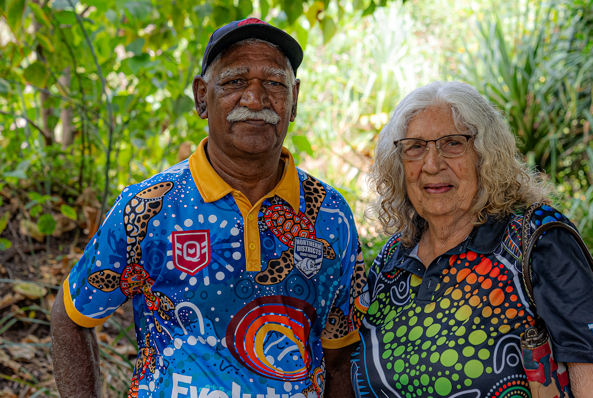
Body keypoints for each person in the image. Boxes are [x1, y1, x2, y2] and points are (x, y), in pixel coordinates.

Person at [51, 18, 367, 398]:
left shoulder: (330, 215)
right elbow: (71, 318)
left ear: (294, 99)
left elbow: (340, 356)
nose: (255, 99)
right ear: (202, 96)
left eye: (274, 83)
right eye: (234, 81)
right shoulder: (149, 208)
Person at [350, 81, 593, 398]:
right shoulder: (394, 258)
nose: (432, 164)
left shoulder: (536, 241)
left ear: (485, 154)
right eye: (415, 147)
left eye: (452, 144)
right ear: (399, 163)